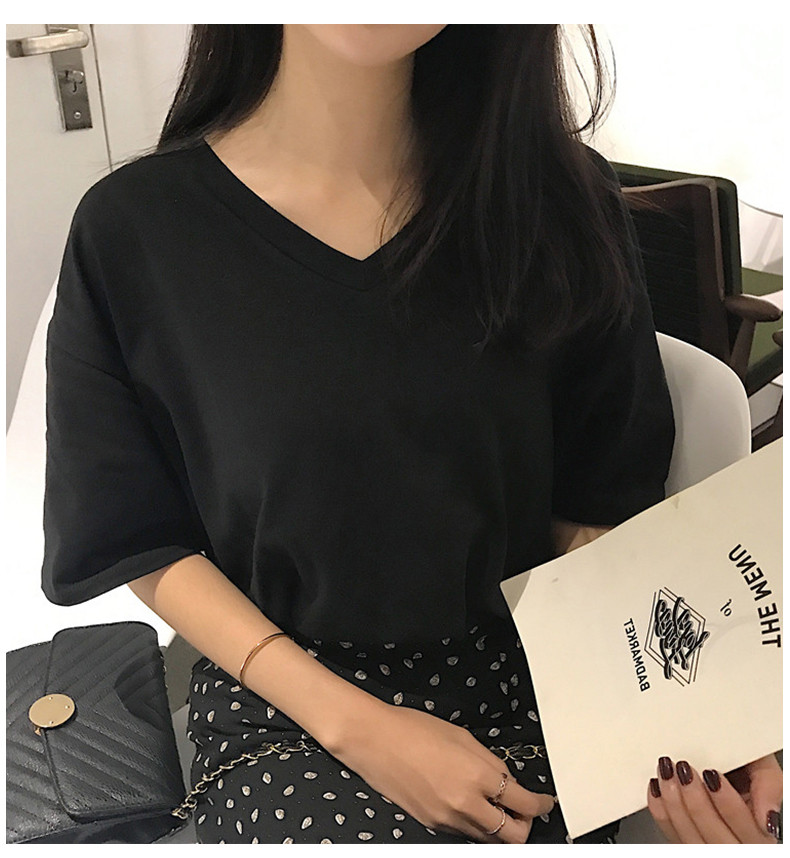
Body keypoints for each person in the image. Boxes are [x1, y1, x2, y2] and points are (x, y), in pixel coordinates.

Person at [40, 25, 781, 844]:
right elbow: (139, 537)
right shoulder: (136, 231)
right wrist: (356, 725)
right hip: (284, 694)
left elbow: (596, 513)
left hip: (534, 685)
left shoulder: (561, 203)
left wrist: (710, 706)